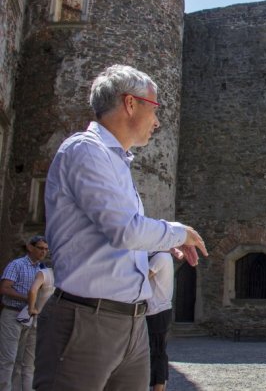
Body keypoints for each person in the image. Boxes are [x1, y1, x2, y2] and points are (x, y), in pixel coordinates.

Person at [35, 64, 209, 391]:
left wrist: (155, 245)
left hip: (131, 325)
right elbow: (125, 231)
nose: (157, 121)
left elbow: (118, 241)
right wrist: (178, 231)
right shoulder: (84, 150)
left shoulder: (116, 162)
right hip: (86, 322)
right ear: (130, 104)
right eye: (154, 108)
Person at [0, 236, 47, 391]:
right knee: (8, 358)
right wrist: (27, 298)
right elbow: (4, 288)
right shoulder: (17, 264)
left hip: (30, 317)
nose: (44, 252)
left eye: (46, 249)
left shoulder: (42, 269)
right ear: (30, 247)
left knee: (22, 360)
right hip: (13, 314)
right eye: (40, 248)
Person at [146, 252, 174, 391]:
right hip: (160, 310)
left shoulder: (160, 257)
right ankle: (159, 386)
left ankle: (159, 387)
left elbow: (143, 277)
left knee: (157, 352)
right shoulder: (165, 256)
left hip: (156, 311)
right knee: (159, 351)